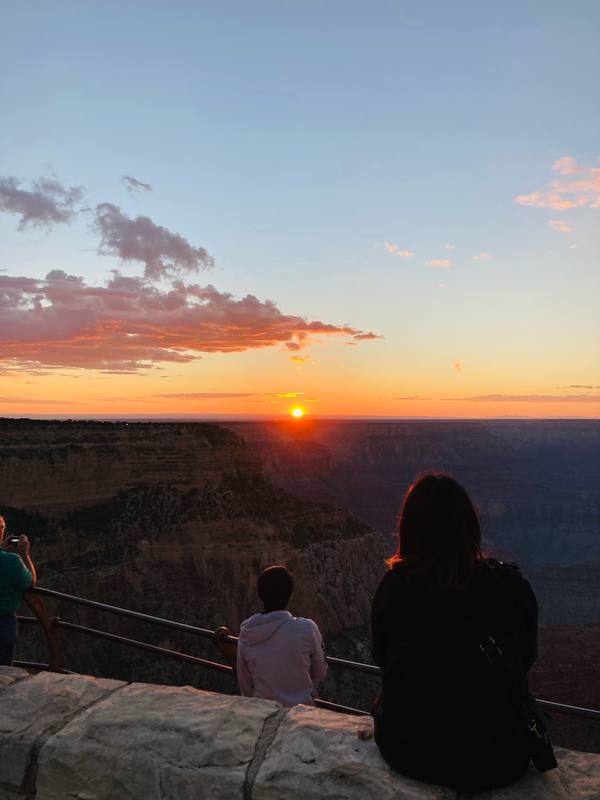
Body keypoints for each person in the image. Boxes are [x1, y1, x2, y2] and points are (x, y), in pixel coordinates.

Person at [371, 473, 539, 793]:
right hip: (500, 757)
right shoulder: (510, 586)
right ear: (469, 525)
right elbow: (526, 657)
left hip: (410, 751)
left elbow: (383, 657)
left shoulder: (393, 587)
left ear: (409, 528)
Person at [235, 565, 327, 706]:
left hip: (263, 712)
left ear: (261, 594)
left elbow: (245, 683)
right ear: (290, 594)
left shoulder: (247, 632)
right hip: (299, 714)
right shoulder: (307, 628)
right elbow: (319, 672)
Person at [0, 516, 37, 666]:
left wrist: (1, 547)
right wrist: (25, 555)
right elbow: (31, 581)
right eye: (1, 527)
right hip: (3, 624)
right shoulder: (12, 561)